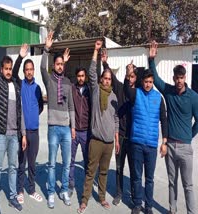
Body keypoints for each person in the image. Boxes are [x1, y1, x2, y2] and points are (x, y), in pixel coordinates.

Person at [149, 41, 198, 214]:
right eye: (177, 77)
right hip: (169, 146)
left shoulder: (193, 97)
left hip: (185, 148)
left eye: (181, 77)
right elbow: (156, 79)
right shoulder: (168, 92)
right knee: (172, 182)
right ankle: (172, 210)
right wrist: (151, 59)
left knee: (188, 185)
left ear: (185, 78)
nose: (179, 80)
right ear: (174, 78)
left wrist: (188, 136)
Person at [78, 40, 119, 213]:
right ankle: (85, 200)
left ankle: (101, 197)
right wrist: (95, 51)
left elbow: (116, 119)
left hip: (109, 143)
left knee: (104, 173)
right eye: (105, 78)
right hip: (95, 141)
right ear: (101, 79)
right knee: (90, 172)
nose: (107, 81)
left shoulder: (114, 97)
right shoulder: (95, 90)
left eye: (110, 79)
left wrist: (116, 140)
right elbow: (91, 71)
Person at [0, 20, 27, 214]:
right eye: (5, 68)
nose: (8, 71)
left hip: (15, 135)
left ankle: (12, 197)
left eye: (10, 68)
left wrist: (23, 134)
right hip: (2, 134)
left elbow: (19, 112)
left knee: (12, 167)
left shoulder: (15, 85)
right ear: (1, 69)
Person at [124, 65, 168, 214]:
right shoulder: (136, 93)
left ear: (153, 82)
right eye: (145, 81)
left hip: (151, 146)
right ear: (141, 81)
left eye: (150, 81)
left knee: (149, 179)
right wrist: (128, 74)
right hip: (136, 143)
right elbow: (126, 90)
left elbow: (164, 120)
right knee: (136, 177)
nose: (147, 84)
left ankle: (148, 206)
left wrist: (164, 142)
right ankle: (137, 204)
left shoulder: (158, 98)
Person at [40, 31, 75, 208]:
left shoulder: (68, 82)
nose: (60, 66)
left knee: (67, 163)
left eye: (62, 64)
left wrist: (73, 127)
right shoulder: (49, 80)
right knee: (52, 164)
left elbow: (71, 107)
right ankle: (52, 192)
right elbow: (41, 67)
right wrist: (46, 48)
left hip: (66, 129)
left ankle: (64, 191)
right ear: (54, 65)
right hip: (53, 127)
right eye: (58, 64)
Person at [101, 50, 137, 205]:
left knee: (135, 170)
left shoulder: (140, 92)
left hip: (135, 138)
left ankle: (136, 196)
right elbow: (111, 78)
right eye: (129, 75)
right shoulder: (120, 88)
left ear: (136, 77)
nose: (130, 77)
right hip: (121, 136)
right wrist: (104, 62)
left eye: (133, 75)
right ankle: (119, 193)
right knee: (119, 167)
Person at [11, 44, 44, 204]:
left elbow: (41, 107)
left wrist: (33, 116)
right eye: (27, 69)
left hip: (35, 132)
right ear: (24, 72)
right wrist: (20, 57)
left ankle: (31, 189)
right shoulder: (20, 84)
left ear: (34, 71)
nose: (29, 71)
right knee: (21, 162)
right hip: (22, 133)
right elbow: (14, 72)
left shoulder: (37, 88)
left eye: (31, 69)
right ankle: (20, 190)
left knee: (32, 163)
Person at [68, 66, 91, 198]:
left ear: (85, 76)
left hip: (86, 132)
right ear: (76, 77)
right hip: (74, 131)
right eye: (79, 76)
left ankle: (86, 188)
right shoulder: (72, 89)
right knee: (70, 160)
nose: (81, 78)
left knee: (87, 161)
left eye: (83, 76)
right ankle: (71, 184)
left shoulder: (89, 90)